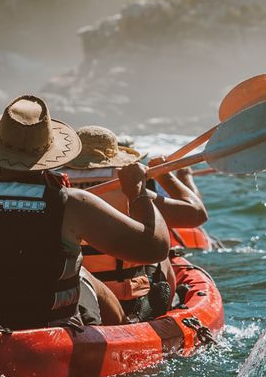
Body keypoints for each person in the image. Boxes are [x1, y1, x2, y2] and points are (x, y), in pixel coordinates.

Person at [0, 95, 168, 331]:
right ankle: (123, 328)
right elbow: (154, 248)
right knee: (82, 272)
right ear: (48, 154)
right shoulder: (73, 204)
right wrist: (138, 192)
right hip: (51, 333)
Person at [64, 126, 208, 321]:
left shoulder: (58, 188)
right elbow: (197, 214)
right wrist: (163, 174)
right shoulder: (124, 187)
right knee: (163, 254)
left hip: (76, 297)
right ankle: (161, 314)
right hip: (127, 300)